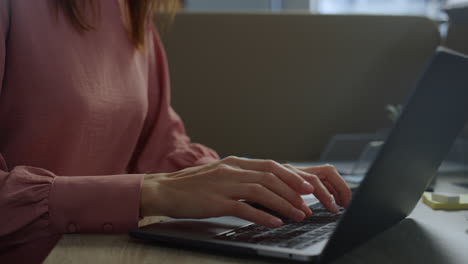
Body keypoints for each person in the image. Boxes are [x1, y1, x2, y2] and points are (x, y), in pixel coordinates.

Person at [0, 0, 352, 262]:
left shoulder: (131, 9)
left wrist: (252, 180)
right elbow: (156, 185)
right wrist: (146, 193)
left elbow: (162, 146)